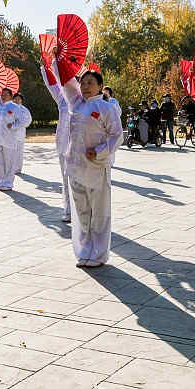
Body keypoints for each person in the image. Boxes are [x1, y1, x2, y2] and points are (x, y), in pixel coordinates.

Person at [57, 68, 123, 267]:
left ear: (100, 87)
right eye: (83, 83)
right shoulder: (76, 104)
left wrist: (101, 151)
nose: (85, 87)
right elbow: (66, 82)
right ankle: (85, 251)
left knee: (99, 212)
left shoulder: (106, 108)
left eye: (90, 83)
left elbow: (117, 136)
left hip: (96, 167)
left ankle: (99, 254)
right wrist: (56, 60)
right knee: (82, 212)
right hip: (76, 167)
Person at [39, 63, 72, 222]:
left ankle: (83, 213)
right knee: (65, 179)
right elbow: (53, 84)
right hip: (63, 145)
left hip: (80, 148)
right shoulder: (63, 99)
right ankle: (68, 210)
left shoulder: (85, 100)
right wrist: (47, 67)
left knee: (79, 182)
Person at [0, 78, 26, 190]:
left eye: (5, 95)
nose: (2, 96)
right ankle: (1, 182)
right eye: (2, 94)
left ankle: (8, 183)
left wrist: (13, 126)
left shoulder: (14, 107)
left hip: (9, 139)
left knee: (9, 162)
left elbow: (23, 121)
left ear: (11, 96)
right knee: (0, 162)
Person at [11, 92, 32, 174]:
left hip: (21, 134)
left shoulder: (24, 110)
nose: (17, 100)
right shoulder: (9, 108)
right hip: (11, 134)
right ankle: (11, 168)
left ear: (21, 101)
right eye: (15, 99)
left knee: (19, 152)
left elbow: (28, 120)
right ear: (13, 99)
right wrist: (16, 124)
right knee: (11, 152)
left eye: (19, 99)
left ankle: (18, 169)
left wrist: (19, 124)